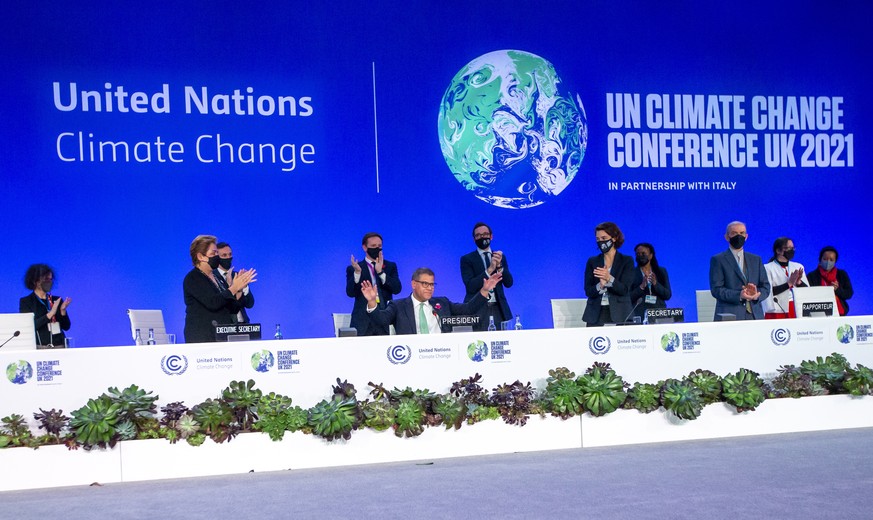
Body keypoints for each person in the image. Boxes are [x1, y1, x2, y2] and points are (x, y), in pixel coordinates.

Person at [362, 267, 502, 335]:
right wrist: (372, 302)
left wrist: (484, 290)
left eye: (432, 284)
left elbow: (468, 309)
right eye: (425, 284)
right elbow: (381, 320)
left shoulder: (442, 303)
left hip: (442, 354)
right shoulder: (398, 306)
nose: (430, 288)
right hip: (411, 357)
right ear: (414, 284)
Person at [183, 235, 257, 343]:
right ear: (200, 256)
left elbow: (232, 308)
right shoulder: (194, 278)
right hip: (202, 338)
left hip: (221, 338)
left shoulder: (217, 278)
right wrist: (234, 287)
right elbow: (213, 303)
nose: (217, 257)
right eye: (213, 253)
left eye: (217, 253)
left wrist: (239, 289)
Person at [709, 221, 770, 321]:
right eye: (734, 233)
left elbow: (766, 287)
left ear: (746, 236)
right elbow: (716, 290)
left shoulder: (756, 259)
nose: (739, 236)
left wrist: (756, 295)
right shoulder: (718, 260)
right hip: (730, 316)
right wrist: (739, 295)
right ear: (727, 237)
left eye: (742, 233)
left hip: (755, 316)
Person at [460, 222, 514, 331]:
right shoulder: (467, 259)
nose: (482, 237)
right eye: (478, 235)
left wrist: (499, 266)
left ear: (491, 236)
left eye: (485, 234)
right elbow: (470, 286)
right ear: (474, 239)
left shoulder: (499, 257)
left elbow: (509, 283)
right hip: (477, 310)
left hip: (499, 309)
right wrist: (489, 270)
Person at [346, 232, 402, 335]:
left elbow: (397, 289)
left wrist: (381, 272)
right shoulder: (355, 268)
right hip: (362, 321)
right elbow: (350, 293)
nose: (377, 248)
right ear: (364, 247)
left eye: (379, 246)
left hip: (384, 318)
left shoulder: (390, 266)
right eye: (373, 246)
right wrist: (357, 273)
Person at [582, 222, 635, 326]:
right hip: (596, 314)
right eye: (598, 239)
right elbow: (588, 291)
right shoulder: (592, 261)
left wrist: (609, 278)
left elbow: (625, 290)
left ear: (614, 238)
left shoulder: (626, 261)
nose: (600, 242)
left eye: (604, 238)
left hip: (620, 314)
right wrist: (600, 286)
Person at [19, 264, 71, 348]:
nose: (49, 282)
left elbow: (66, 327)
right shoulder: (26, 302)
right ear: (35, 281)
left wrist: (63, 311)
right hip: (40, 347)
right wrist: (50, 314)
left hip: (60, 346)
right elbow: (30, 326)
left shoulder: (56, 300)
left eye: (50, 279)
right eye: (46, 279)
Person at [762, 237, 809, 319]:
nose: (791, 250)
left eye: (792, 248)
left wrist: (798, 282)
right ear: (778, 250)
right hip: (776, 309)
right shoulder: (767, 268)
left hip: (796, 307)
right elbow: (768, 291)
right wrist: (789, 284)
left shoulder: (798, 266)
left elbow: (807, 291)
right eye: (788, 248)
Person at [628, 243, 672, 322]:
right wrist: (641, 287)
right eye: (638, 254)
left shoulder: (661, 271)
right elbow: (628, 298)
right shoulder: (631, 273)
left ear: (651, 255)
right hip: (639, 315)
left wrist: (655, 284)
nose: (640, 255)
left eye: (643, 253)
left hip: (659, 314)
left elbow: (667, 295)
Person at [214, 242, 255, 324]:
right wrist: (233, 287)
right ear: (217, 258)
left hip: (243, 325)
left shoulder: (237, 275)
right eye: (224, 255)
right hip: (225, 325)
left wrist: (245, 286)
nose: (228, 257)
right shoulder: (213, 277)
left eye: (230, 254)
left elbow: (250, 304)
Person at [807, 246, 853, 316]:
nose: (828, 262)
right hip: (818, 313)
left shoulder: (842, 274)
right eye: (825, 259)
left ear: (835, 261)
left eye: (831, 260)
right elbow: (808, 295)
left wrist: (837, 289)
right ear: (820, 259)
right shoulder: (811, 276)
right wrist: (827, 290)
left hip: (839, 313)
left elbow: (849, 294)